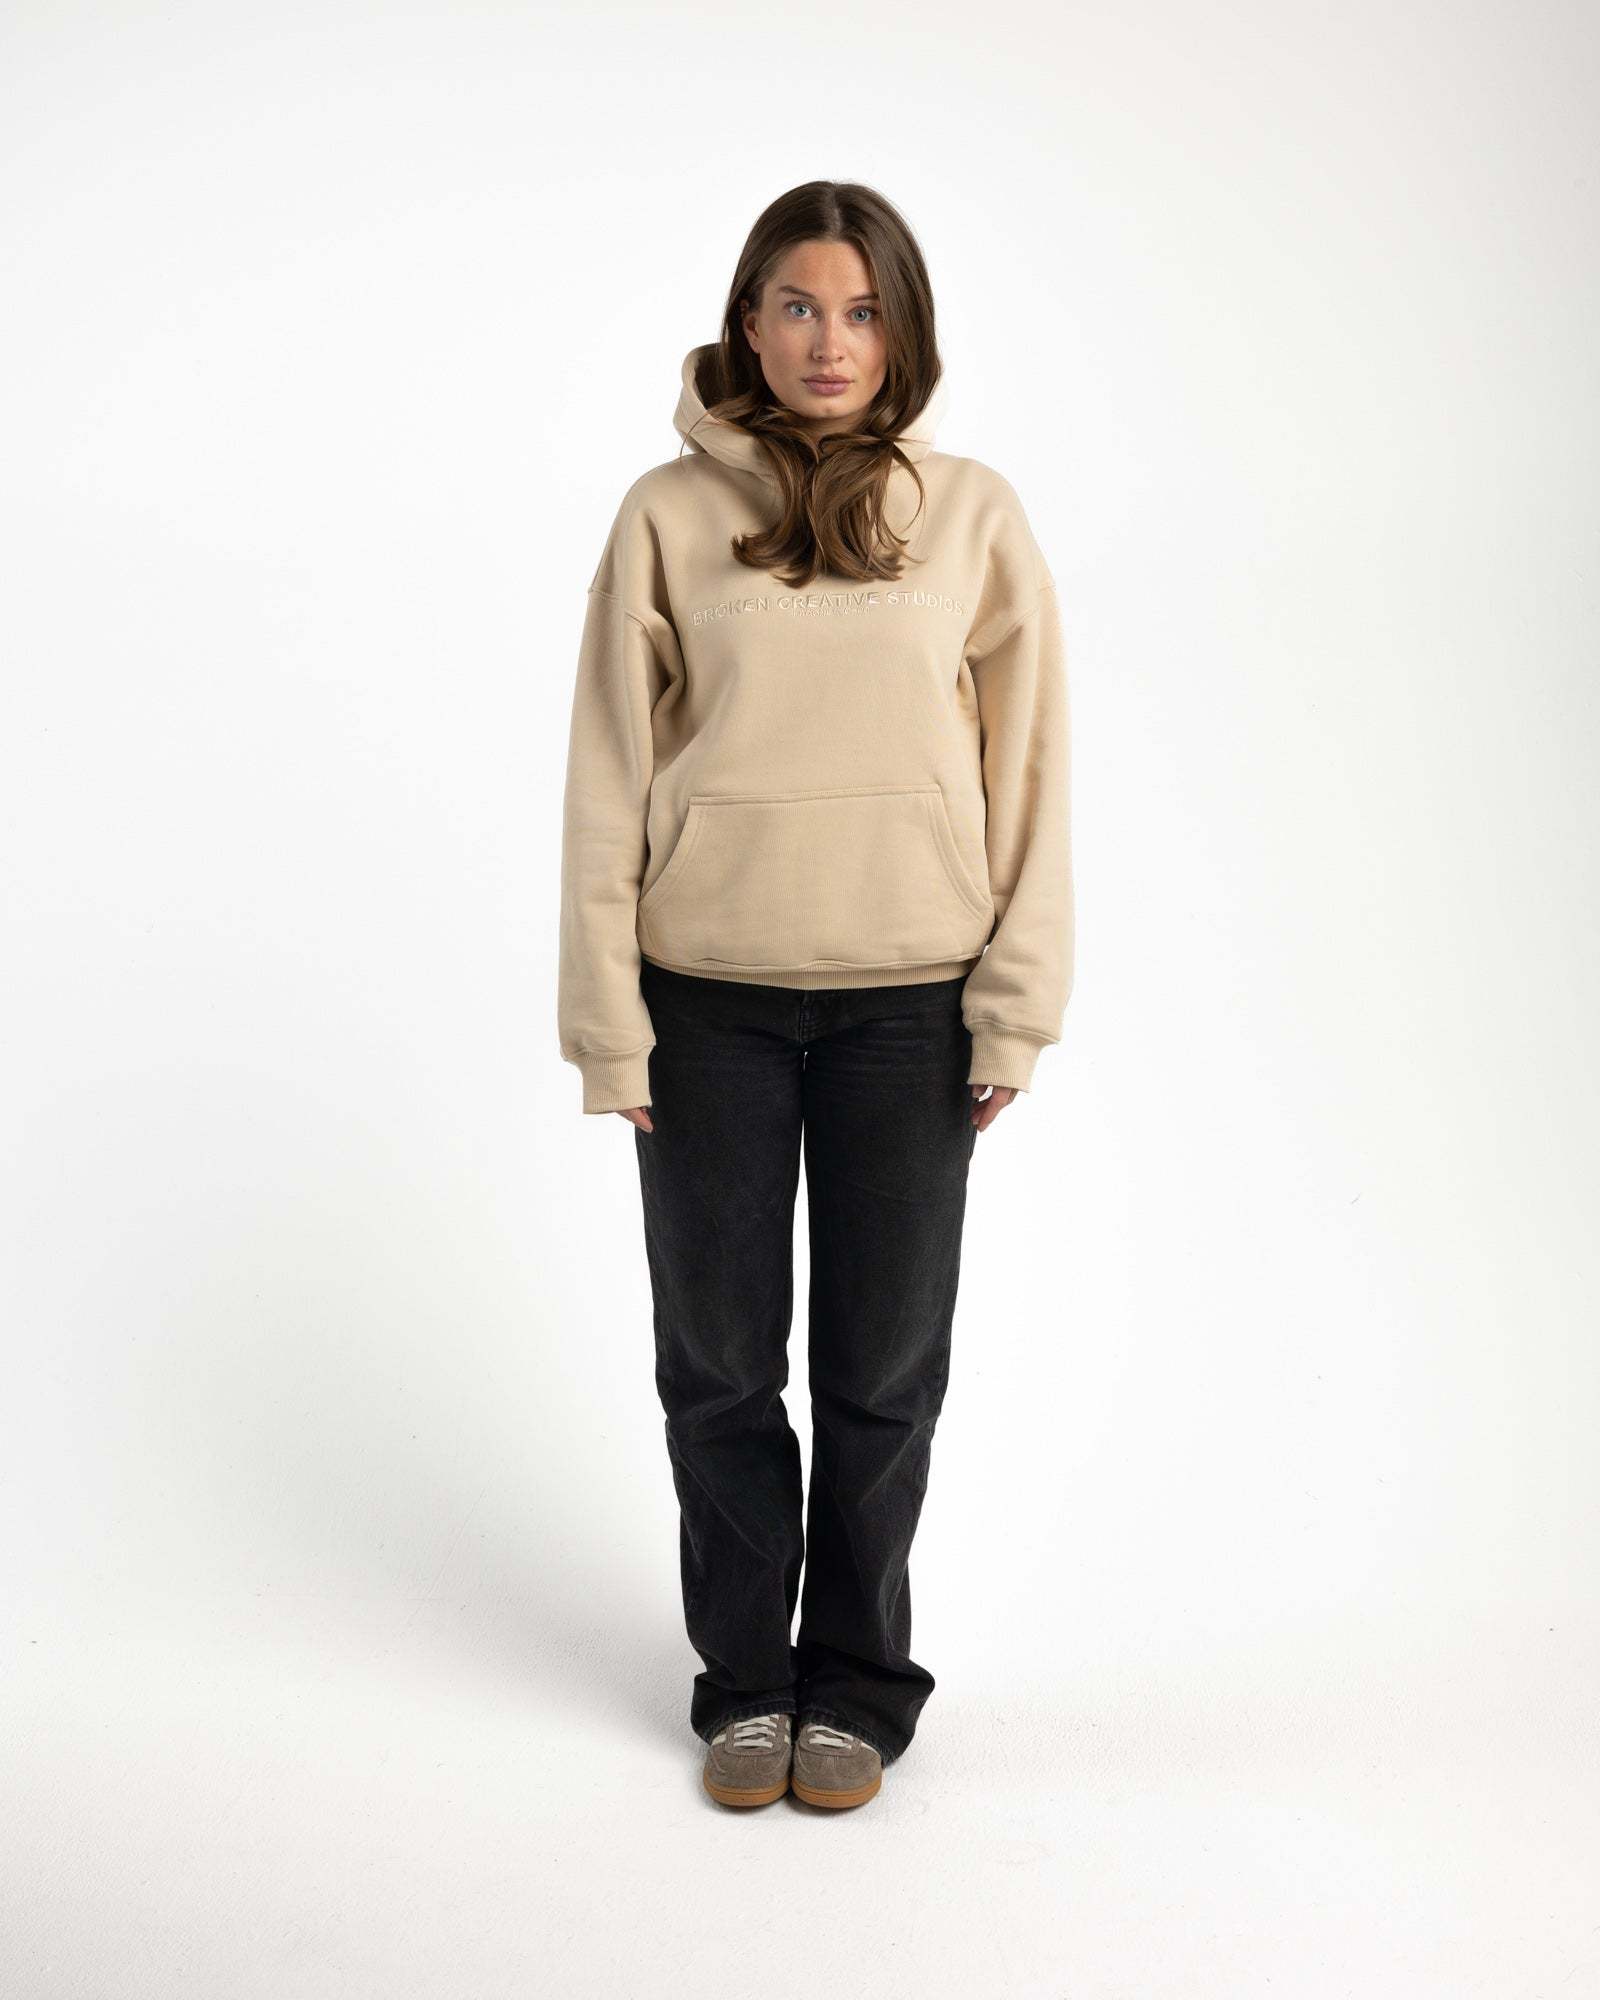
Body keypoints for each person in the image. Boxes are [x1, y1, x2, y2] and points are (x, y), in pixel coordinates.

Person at [557, 180, 1074, 1810]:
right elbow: (606, 777)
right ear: (748, 319)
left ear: (902, 331)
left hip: (910, 1011)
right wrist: (607, 1024)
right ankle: (745, 1685)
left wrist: (1016, 1003)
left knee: (880, 1377)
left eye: (861, 311)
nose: (828, 342)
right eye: (797, 305)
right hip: (702, 1006)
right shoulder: (663, 516)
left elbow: (1032, 773)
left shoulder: (972, 515)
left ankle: (855, 1683)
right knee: (718, 1371)